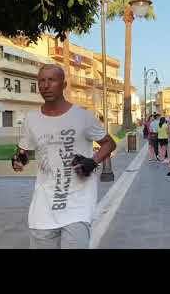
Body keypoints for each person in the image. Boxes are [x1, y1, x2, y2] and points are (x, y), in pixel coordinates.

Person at [12, 64, 116, 249]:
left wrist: (92, 161)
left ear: (63, 84)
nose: (45, 85)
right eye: (41, 81)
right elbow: (24, 152)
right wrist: (19, 160)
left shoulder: (83, 117)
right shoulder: (31, 119)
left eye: (51, 80)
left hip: (78, 204)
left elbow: (109, 143)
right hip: (43, 205)